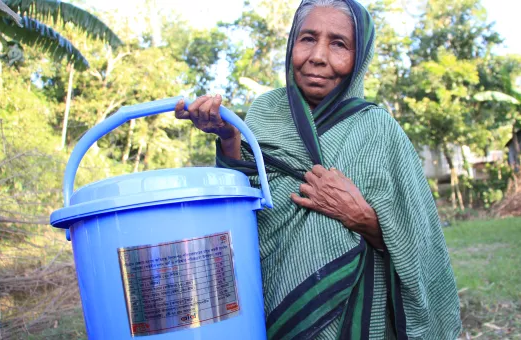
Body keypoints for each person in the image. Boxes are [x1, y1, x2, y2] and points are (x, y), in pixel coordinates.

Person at [175, 0, 461, 338]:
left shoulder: (378, 130)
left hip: (354, 316)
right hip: (270, 303)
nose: (318, 56)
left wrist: (364, 220)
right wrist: (229, 139)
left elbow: (419, 241)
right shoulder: (265, 112)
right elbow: (243, 208)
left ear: (359, 57)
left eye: (339, 43)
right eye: (307, 38)